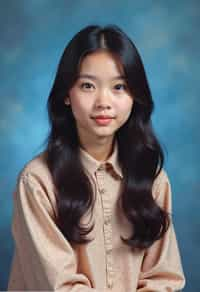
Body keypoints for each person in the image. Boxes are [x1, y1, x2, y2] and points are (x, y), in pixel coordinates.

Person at [8, 24, 185, 291]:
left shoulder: (153, 179)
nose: (104, 101)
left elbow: (164, 279)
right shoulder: (37, 182)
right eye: (88, 85)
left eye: (119, 87)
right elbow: (59, 286)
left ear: (135, 96)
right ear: (67, 94)